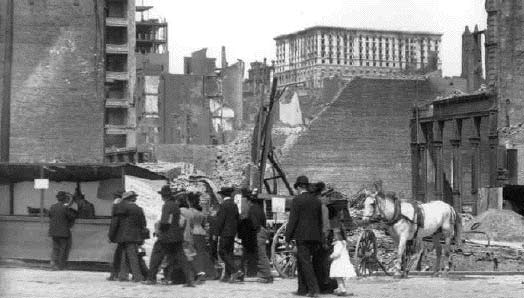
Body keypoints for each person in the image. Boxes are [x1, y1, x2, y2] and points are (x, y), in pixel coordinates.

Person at [144, 185, 194, 287]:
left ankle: (151, 278)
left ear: (163, 196)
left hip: (166, 236)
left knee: (156, 256)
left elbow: (164, 221)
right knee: (182, 258)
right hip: (177, 236)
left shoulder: (167, 205)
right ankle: (189, 279)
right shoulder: (175, 205)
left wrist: (159, 231)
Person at [285, 175, 323, 298]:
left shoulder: (297, 200)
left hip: (302, 236)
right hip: (315, 236)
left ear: (299, 187)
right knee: (303, 262)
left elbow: (293, 220)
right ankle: (302, 289)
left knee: (305, 263)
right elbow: (320, 221)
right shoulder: (317, 201)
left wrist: (287, 237)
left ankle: (313, 289)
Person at [111, 191, 148, 282]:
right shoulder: (138, 209)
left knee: (128, 256)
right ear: (132, 198)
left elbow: (115, 223)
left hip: (122, 236)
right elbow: (143, 223)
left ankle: (134, 276)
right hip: (135, 236)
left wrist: (111, 235)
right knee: (131, 256)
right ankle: (125, 275)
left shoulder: (119, 208)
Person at [215, 187, 242, 283]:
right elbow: (238, 219)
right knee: (229, 253)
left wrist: (216, 233)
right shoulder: (234, 205)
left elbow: (220, 220)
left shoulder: (224, 205)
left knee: (222, 252)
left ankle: (235, 270)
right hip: (232, 232)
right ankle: (227, 275)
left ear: (222, 195)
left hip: (224, 232)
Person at [188, 192, 216, 281]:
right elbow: (204, 224)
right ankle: (210, 272)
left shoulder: (190, 212)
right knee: (202, 253)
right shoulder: (200, 213)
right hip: (202, 233)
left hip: (194, 233)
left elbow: (189, 224)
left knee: (195, 254)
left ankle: (199, 272)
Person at [247, 190, 273, 283]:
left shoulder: (252, 209)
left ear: (249, 201)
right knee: (261, 253)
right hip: (262, 230)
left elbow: (254, 224)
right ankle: (264, 274)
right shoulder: (259, 208)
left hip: (258, 232)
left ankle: (266, 275)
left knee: (261, 254)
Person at [48, 191, 78, 270]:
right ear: (64, 199)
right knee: (62, 249)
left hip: (53, 231)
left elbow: (50, 215)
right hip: (63, 232)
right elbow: (72, 216)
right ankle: (60, 266)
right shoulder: (65, 207)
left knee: (55, 248)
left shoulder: (52, 207)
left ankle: (53, 263)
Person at [329, 229, 356, 296]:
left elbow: (337, 253)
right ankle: (343, 289)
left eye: (335, 235)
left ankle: (343, 290)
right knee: (340, 278)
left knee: (338, 277)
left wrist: (331, 256)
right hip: (344, 261)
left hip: (339, 262)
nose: (334, 237)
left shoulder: (338, 243)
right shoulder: (344, 242)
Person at [107, 190, 127, 281]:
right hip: (127, 235)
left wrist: (110, 236)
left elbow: (114, 223)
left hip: (120, 236)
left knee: (118, 256)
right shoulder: (127, 206)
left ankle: (116, 274)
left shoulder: (117, 206)